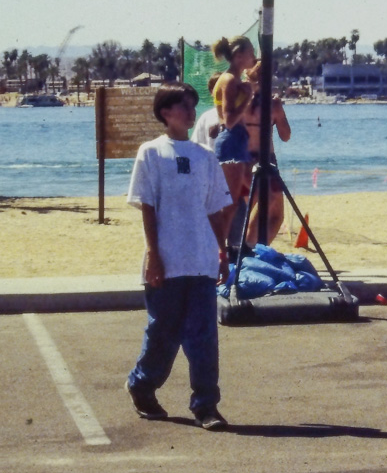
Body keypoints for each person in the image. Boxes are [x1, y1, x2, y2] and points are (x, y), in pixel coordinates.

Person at [124, 84, 232, 430]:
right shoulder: (152, 153)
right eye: (182, 106)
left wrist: (223, 250)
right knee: (164, 333)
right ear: (165, 111)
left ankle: (206, 406)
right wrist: (154, 256)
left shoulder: (205, 156)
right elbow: (148, 207)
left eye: (192, 106)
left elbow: (216, 209)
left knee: (203, 336)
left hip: (200, 260)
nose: (189, 112)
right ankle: (142, 385)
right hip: (167, 261)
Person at [211, 36, 256, 245]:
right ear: (239, 56)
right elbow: (228, 120)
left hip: (237, 140)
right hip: (231, 140)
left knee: (253, 193)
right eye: (251, 53)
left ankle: (237, 246)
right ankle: (218, 251)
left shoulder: (234, 79)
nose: (254, 57)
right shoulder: (229, 80)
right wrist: (247, 97)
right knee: (230, 205)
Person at [243, 61, 292, 246]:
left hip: (243, 160)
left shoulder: (240, 102)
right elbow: (285, 135)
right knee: (276, 215)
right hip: (265, 159)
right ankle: (251, 250)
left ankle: (251, 249)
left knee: (253, 211)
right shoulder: (273, 104)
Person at [191, 72, 223, 152]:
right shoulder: (207, 118)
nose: (223, 92)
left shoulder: (242, 115)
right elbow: (196, 146)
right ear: (212, 92)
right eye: (219, 88)